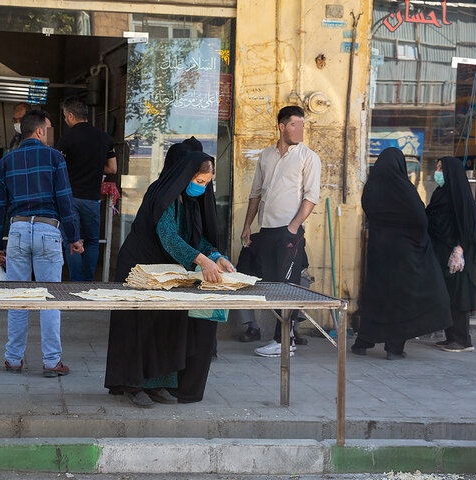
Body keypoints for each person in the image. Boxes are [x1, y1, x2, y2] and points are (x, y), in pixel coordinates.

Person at [104, 149, 235, 408]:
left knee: (167, 325)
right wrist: (202, 261)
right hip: (140, 268)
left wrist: (216, 255)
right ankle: (133, 384)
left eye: (206, 184)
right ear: (186, 176)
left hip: (168, 271)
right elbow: (169, 237)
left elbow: (197, 237)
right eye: (199, 182)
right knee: (139, 326)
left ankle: (158, 383)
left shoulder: (191, 201)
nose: (202, 188)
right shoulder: (163, 194)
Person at [0, 110, 84, 377]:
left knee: (18, 298)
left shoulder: (7, 161)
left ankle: (13, 359)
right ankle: (51, 361)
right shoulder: (55, 158)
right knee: (49, 298)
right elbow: (65, 200)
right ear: (41, 131)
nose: (52, 131)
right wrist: (74, 237)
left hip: (18, 230)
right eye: (50, 127)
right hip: (48, 230)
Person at [352, 147, 451, 360]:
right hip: (404, 255)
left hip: (379, 251)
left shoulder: (371, 188)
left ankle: (363, 341)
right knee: (400, 299)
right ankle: (394, 348)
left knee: (376, 296)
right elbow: (420, 219)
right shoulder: (404, 188)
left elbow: (369, 212)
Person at [239, 106, 321, 358]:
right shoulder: (265, 156)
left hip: (289, 233)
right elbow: (255, 194)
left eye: (303, 125)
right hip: (266, 230)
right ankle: (288, 338)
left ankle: (282, 340)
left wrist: (293, 227)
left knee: (287, 285)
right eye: (295, 124)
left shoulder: (309, 157)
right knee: (272, 284)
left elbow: (311, 197)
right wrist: (247, 226)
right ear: (282, 126)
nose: (300, 130)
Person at [56, 96, 117, 281]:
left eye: (66, 116)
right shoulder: (104, 138)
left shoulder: (66, 139)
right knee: (92, 241)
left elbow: (57, 168)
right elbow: (113, 168)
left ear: (71, 116)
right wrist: (96, 168)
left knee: (71, 241)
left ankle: (75, 282)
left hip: (70, 197)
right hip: (92, 198)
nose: (66, 120)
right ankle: (88, 281)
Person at [426, 156, 476, 352]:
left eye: (441, 168)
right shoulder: (441, 193)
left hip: (458, 254)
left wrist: (459, 250)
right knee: (447, 295)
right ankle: (451, 337)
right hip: (442, 251)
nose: (437, 172)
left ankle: (462, 340)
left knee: (459, 296)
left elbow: (469, 227)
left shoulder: (461, 196)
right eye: (437, 167)